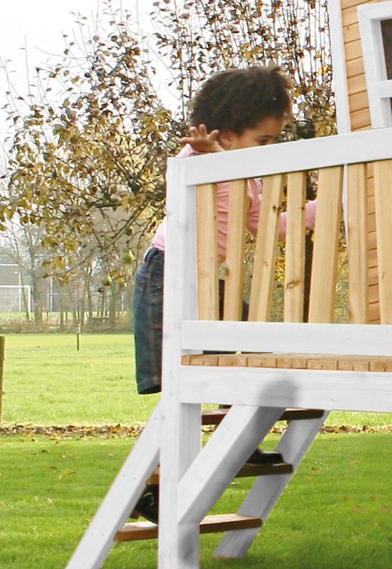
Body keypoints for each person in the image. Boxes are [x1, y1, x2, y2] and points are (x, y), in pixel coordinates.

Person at [130, 68, 314, 520]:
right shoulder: (199, 159)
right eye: (262, 142)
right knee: (183, 387)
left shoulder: (248, 178)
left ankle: (238, 441)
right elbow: (193, 170)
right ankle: (149, 485)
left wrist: (321, 209)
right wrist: (210, 155)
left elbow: (264, 225)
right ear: (227, 136)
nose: (268, 151)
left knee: (249, 351)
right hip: (170, 276)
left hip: (212, 285)